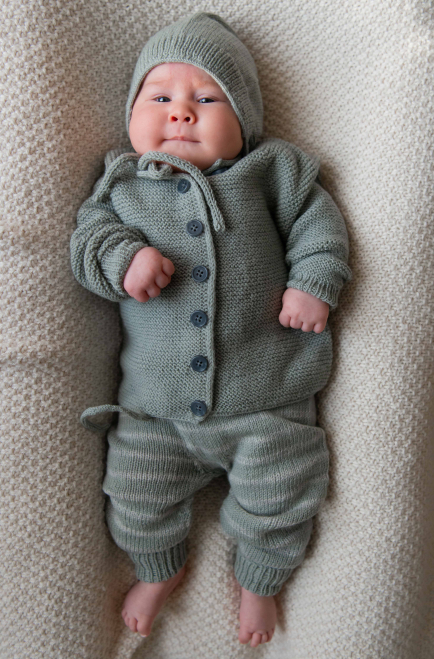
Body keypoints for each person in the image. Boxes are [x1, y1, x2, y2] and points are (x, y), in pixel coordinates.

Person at [70, 12, 351, 648]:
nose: (180, 113)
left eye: (206, 99)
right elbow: (87, 243)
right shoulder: (122, 185)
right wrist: (123, 259)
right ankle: (157, 568)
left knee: (285, 489)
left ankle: (260, 578)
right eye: (159, 98)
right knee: (135, 492)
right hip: (157, 411)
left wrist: (314, 283)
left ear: (245, 120)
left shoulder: (273, 172)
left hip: (269, 400)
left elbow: (321, 229)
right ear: (131, 113)